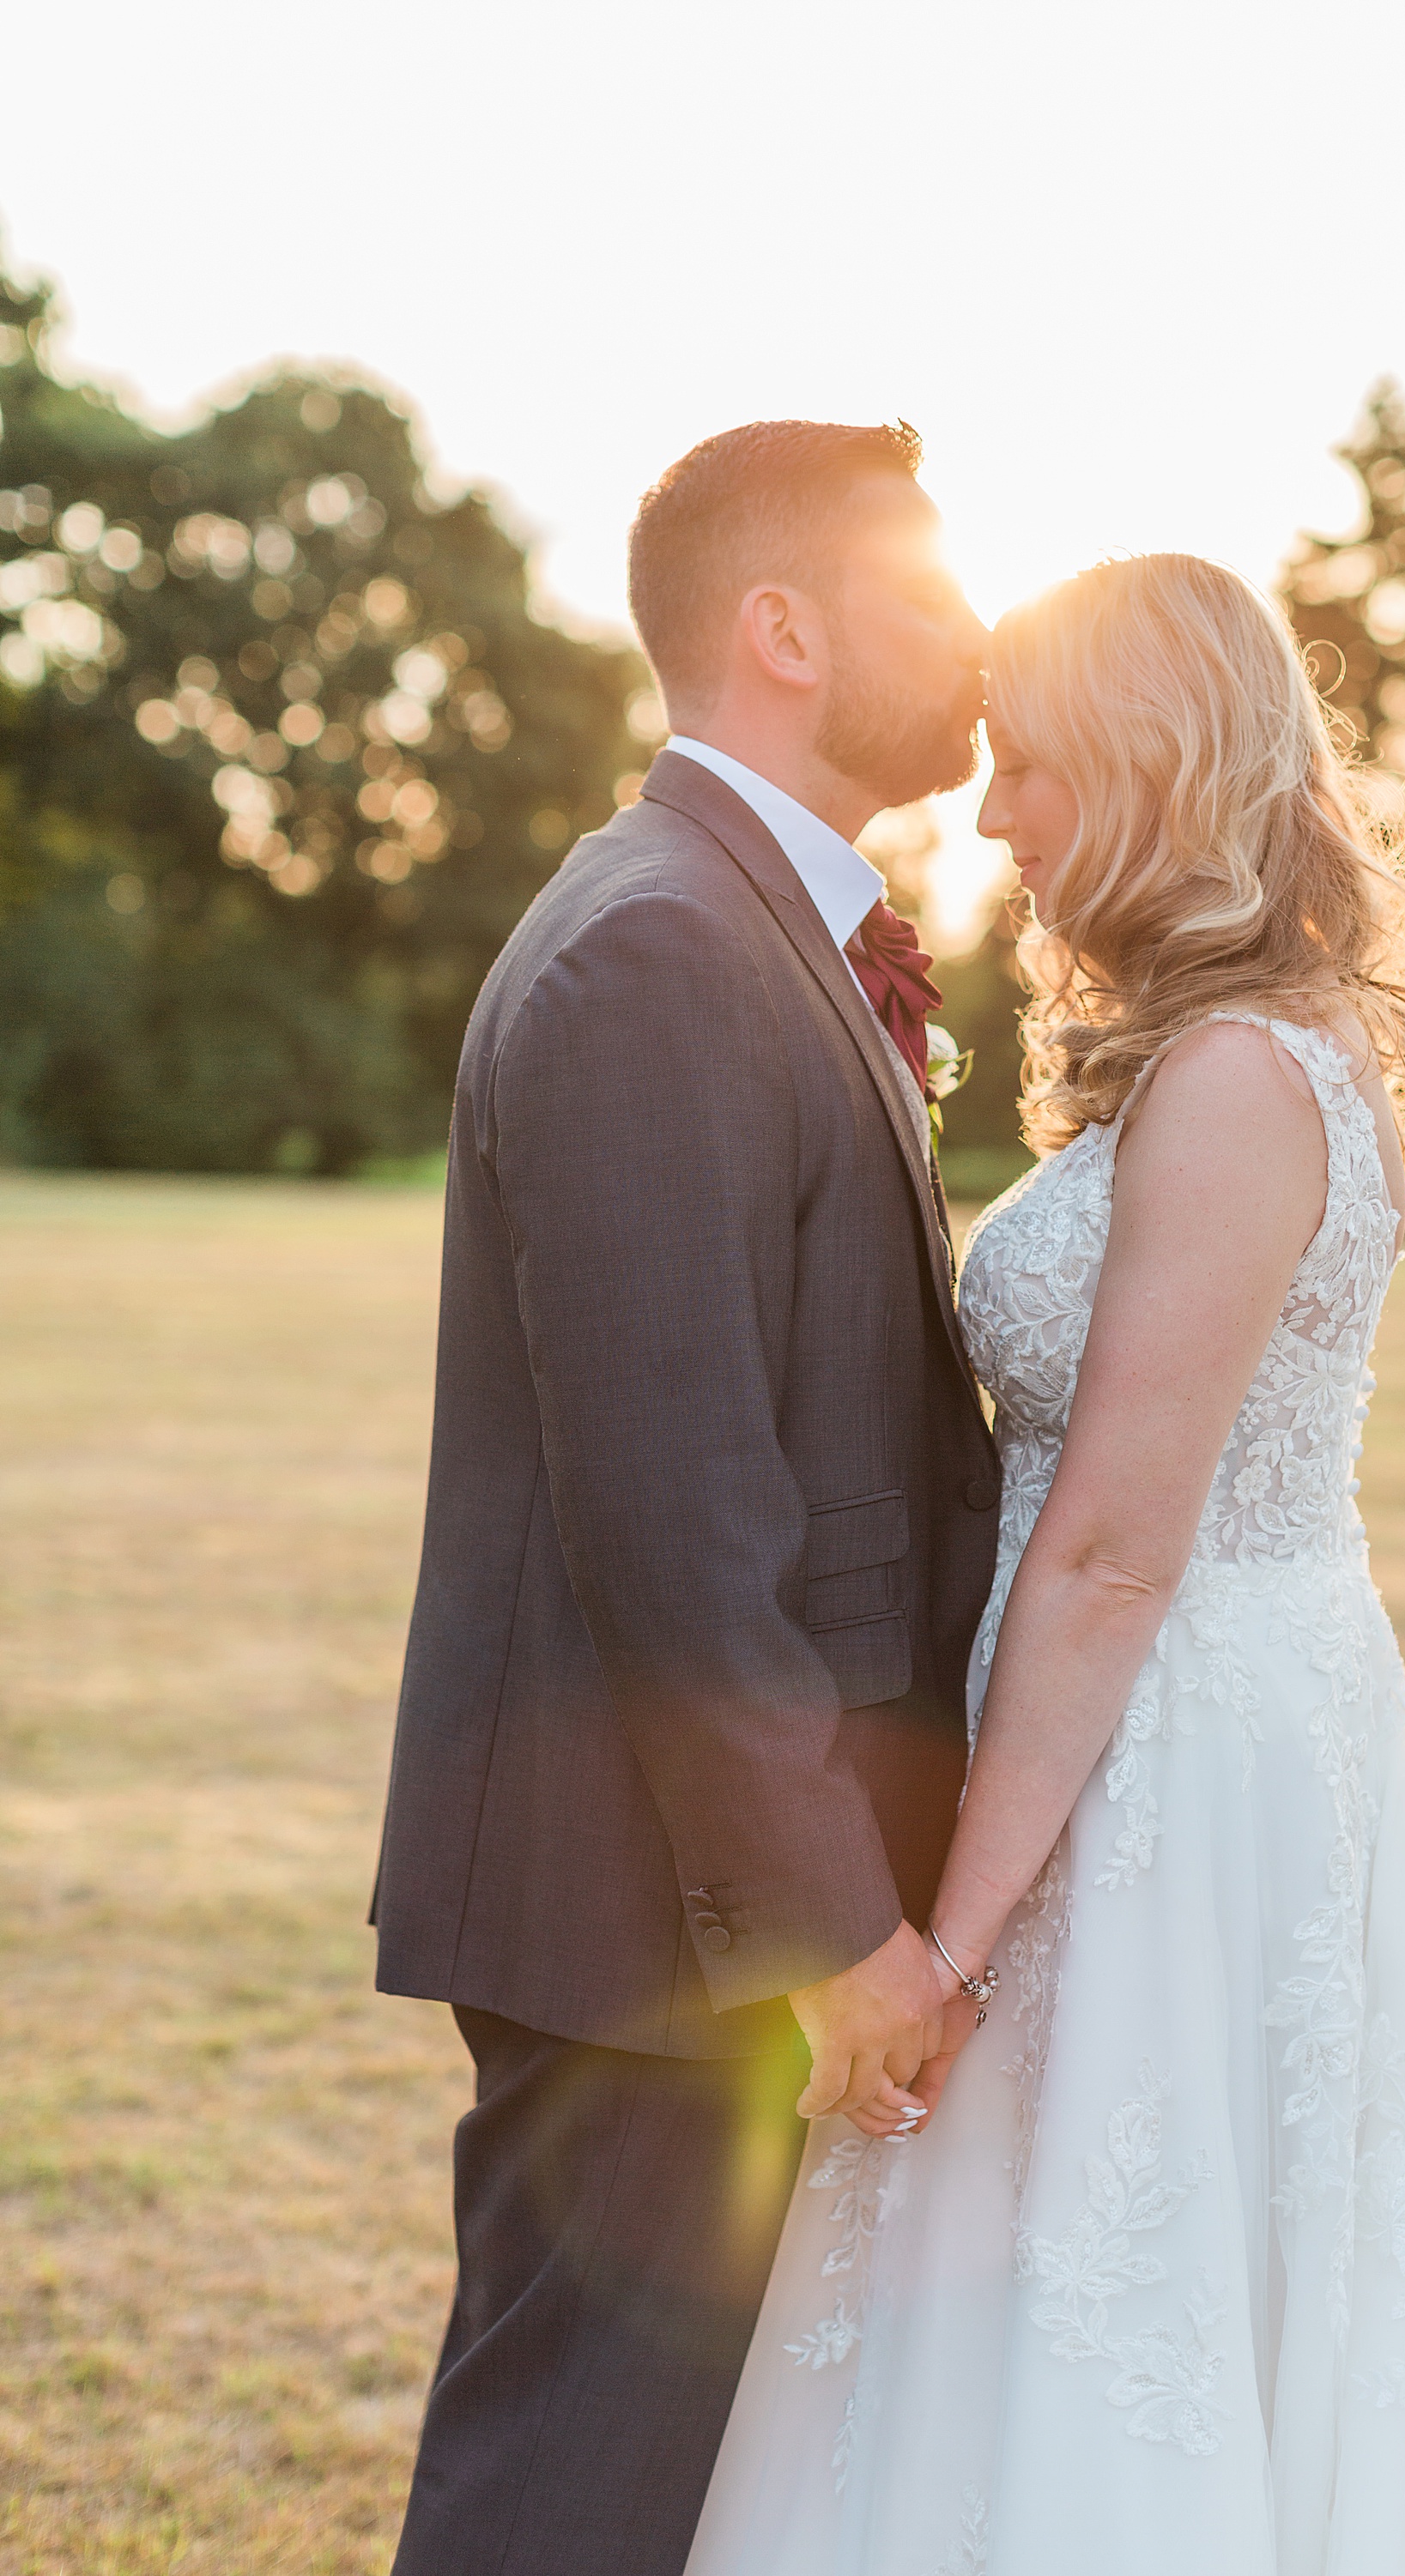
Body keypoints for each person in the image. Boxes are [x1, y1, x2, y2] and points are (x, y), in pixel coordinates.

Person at [687, 554, 1405, 2574]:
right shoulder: (1218, 1053)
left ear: (1154, 771)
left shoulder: (1242, 1083)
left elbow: (1108, 1559)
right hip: (1143, 1725)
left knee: (1135, 2239)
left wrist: (947, 1946)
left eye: (1036, 771)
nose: (997, 821)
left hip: (1170, 1757)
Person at [370, 418, 1001, 2575]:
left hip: (703, 1903)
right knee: (576, 2492)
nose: (978, 638)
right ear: (783, 630)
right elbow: (678, 1519)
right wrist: (831, 1925)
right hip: (656, 1914)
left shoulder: (749, 922)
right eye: (932, 594)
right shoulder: (655, 948)